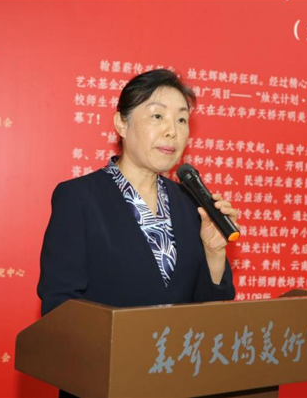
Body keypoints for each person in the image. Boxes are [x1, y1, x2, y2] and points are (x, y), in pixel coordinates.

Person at [37, 69, 237, 397]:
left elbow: (209, 313)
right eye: (158, 116)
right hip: (103, 383)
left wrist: (214, 254)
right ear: (121, 123)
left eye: (182, 120)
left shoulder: (190, 203)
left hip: (178, 382)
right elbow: (59, 304)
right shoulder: (79, 197)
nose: (172, 131)